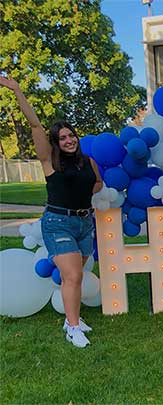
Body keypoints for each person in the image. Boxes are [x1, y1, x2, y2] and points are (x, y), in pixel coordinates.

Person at [0, 76, 103, 348]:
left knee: (75, 276)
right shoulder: (50, 162)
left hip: (84, 223)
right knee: (73, 276)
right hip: (58, 223)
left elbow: (98, 184)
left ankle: (74, 318)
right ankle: (72, 327)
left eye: (71, 135)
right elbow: (35, 124)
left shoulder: (88, 162)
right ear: (55, 143)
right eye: (62, 138)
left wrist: (84, 194)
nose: (69, 140)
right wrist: (17, 91)